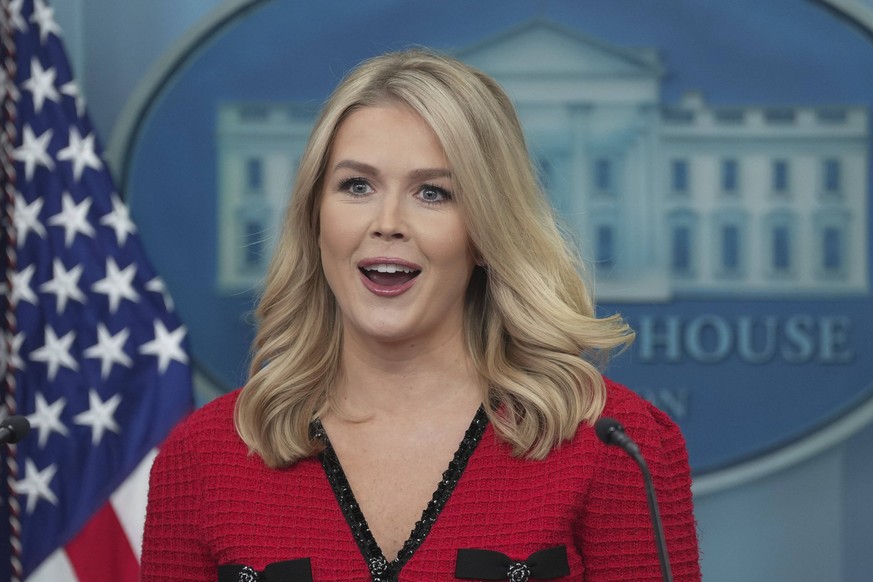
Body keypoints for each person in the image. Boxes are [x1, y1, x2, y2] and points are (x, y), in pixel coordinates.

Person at [141, 49, 701, 581]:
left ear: (486, 231)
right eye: (356, 186)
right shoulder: (203, 456)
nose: (387, 222)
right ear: (315, 219)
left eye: (432, 193)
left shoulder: (612, 446)